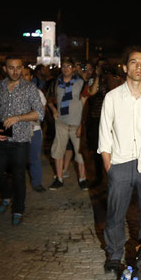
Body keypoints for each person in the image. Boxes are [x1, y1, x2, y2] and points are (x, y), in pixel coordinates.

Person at [98, 47, 141, 273]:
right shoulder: (112, 97)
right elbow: (104, 133)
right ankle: (114, 253)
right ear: (125, 67)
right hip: (120, 163)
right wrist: (109, 165)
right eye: (133, 62)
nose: (138, 66)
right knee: (115, 213)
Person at [0, 56, 44, 226]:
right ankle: (6, 194)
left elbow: (39, 113)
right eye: (11, 68)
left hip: (21, 140)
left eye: (19, 67)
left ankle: (18, 208)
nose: (16, 71)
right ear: (5, 69)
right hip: (1, 136)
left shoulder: (29, 88)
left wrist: (18, 118)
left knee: (19, 176)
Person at [47, 59, 88, 190]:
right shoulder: (55, 83)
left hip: (76, 124)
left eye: (69, 66)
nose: (66, 69)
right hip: (61, 123)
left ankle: (83, 178)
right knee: (58, 151)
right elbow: (48, 99)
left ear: (73, 68)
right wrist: (53, 110)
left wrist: (82, 124)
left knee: (80, 153)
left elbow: (86, 104)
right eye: (63, 66)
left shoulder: (81, 83)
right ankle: (59, 178)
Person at [22, 66, 47, 192]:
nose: (23, 77)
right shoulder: (10, 92)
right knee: (17, 159)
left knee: (34, 158)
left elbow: (41, 113)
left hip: (34, 130)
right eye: (21, 74)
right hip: (17, 131)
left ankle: (36, 182)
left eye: (26, 75)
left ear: (31, 77)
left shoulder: (38, 93)